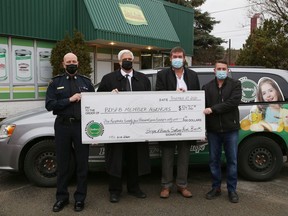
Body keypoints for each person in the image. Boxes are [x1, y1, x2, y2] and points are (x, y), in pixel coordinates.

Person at [97, 49, 151, 203]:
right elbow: (98, 102)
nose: (127, 61)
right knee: (116, 160)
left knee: (135, 159)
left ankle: (134, 188)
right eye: (124, 59)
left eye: (130, 59)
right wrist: (109, 96)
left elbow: (149, 103)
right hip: (116, 129)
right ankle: (115, 190)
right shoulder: (108, 79)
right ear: (119, 62)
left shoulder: (143, 79)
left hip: (136, 129)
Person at [45, 52, 95, 212]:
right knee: (63, 164)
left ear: (78, 63)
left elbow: (96, 105)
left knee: (82, 165)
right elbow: (50, 104)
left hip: (81, 127)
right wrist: (69, 100)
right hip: (62, 126)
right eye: (68, 61)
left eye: (74, 61)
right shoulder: (55, 82)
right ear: (63, 64)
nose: (71, 63)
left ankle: (80, 199)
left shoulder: (86, 82)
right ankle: (62, 198)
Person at [156, 46, 200, 198]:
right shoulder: (162, 75)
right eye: (174, 57)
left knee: (184, 155)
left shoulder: (193, 75)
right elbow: (158, 95)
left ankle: (182, 185)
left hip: (187, 122)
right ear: (170, 58)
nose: (177, 59)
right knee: (167, 155)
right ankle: (166, 186)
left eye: (180, 56)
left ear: (184, 58)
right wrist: (173, 95)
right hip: (168, 122)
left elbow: (198, 98)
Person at [202, 60, 242, 203]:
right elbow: (202, 107)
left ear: (228, 70)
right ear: (214, 70)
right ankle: (216, 188)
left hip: (230, 129)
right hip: (213, 130)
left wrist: (213, 109)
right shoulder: (206, 87)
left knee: (232, 161)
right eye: (218, 68)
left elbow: (232, 103)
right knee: (213, 161)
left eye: (223, 68)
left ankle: (232, 190)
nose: (221, 71)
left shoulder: (235, 85)